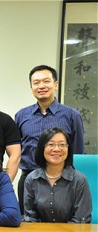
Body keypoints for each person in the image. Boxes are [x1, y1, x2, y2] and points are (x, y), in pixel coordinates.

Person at [15, 65, 85, 214]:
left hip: (62, 182)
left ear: (56, 84)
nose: (41, 86)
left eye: (46, 81)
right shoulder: (21, 115)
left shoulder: (72, 115)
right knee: (26, 225)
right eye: (36, 82)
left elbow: (78, 151)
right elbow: (16, 149)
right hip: (29, 179)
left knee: (62, 227)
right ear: (31, 87)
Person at [24, 128, 92, 223]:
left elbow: (81, 220)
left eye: (62, 145)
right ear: (42, 148)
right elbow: (30, 218)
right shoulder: (32, 179)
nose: (56, 149)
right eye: (51, 144)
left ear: (68, 149)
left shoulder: (79, 180)